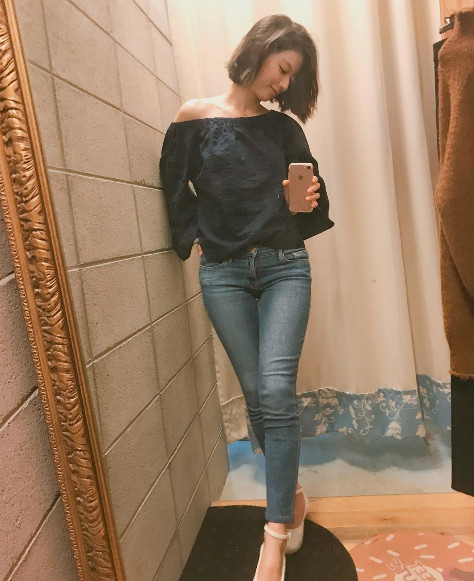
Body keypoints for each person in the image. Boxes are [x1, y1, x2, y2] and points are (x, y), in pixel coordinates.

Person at [159, 14, 334, 581]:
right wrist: (194, 238)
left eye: (291, 78)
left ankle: (273, 535)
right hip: (224, 274)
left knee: (276, 390)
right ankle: (293, 496)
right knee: (258, 395)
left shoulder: (283, 130)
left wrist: (308, 197)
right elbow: (173, 186)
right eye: (282, 69)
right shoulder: (192, 117)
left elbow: (312, 201)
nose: (283, 84)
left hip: (285, 267)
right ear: (258, 51)